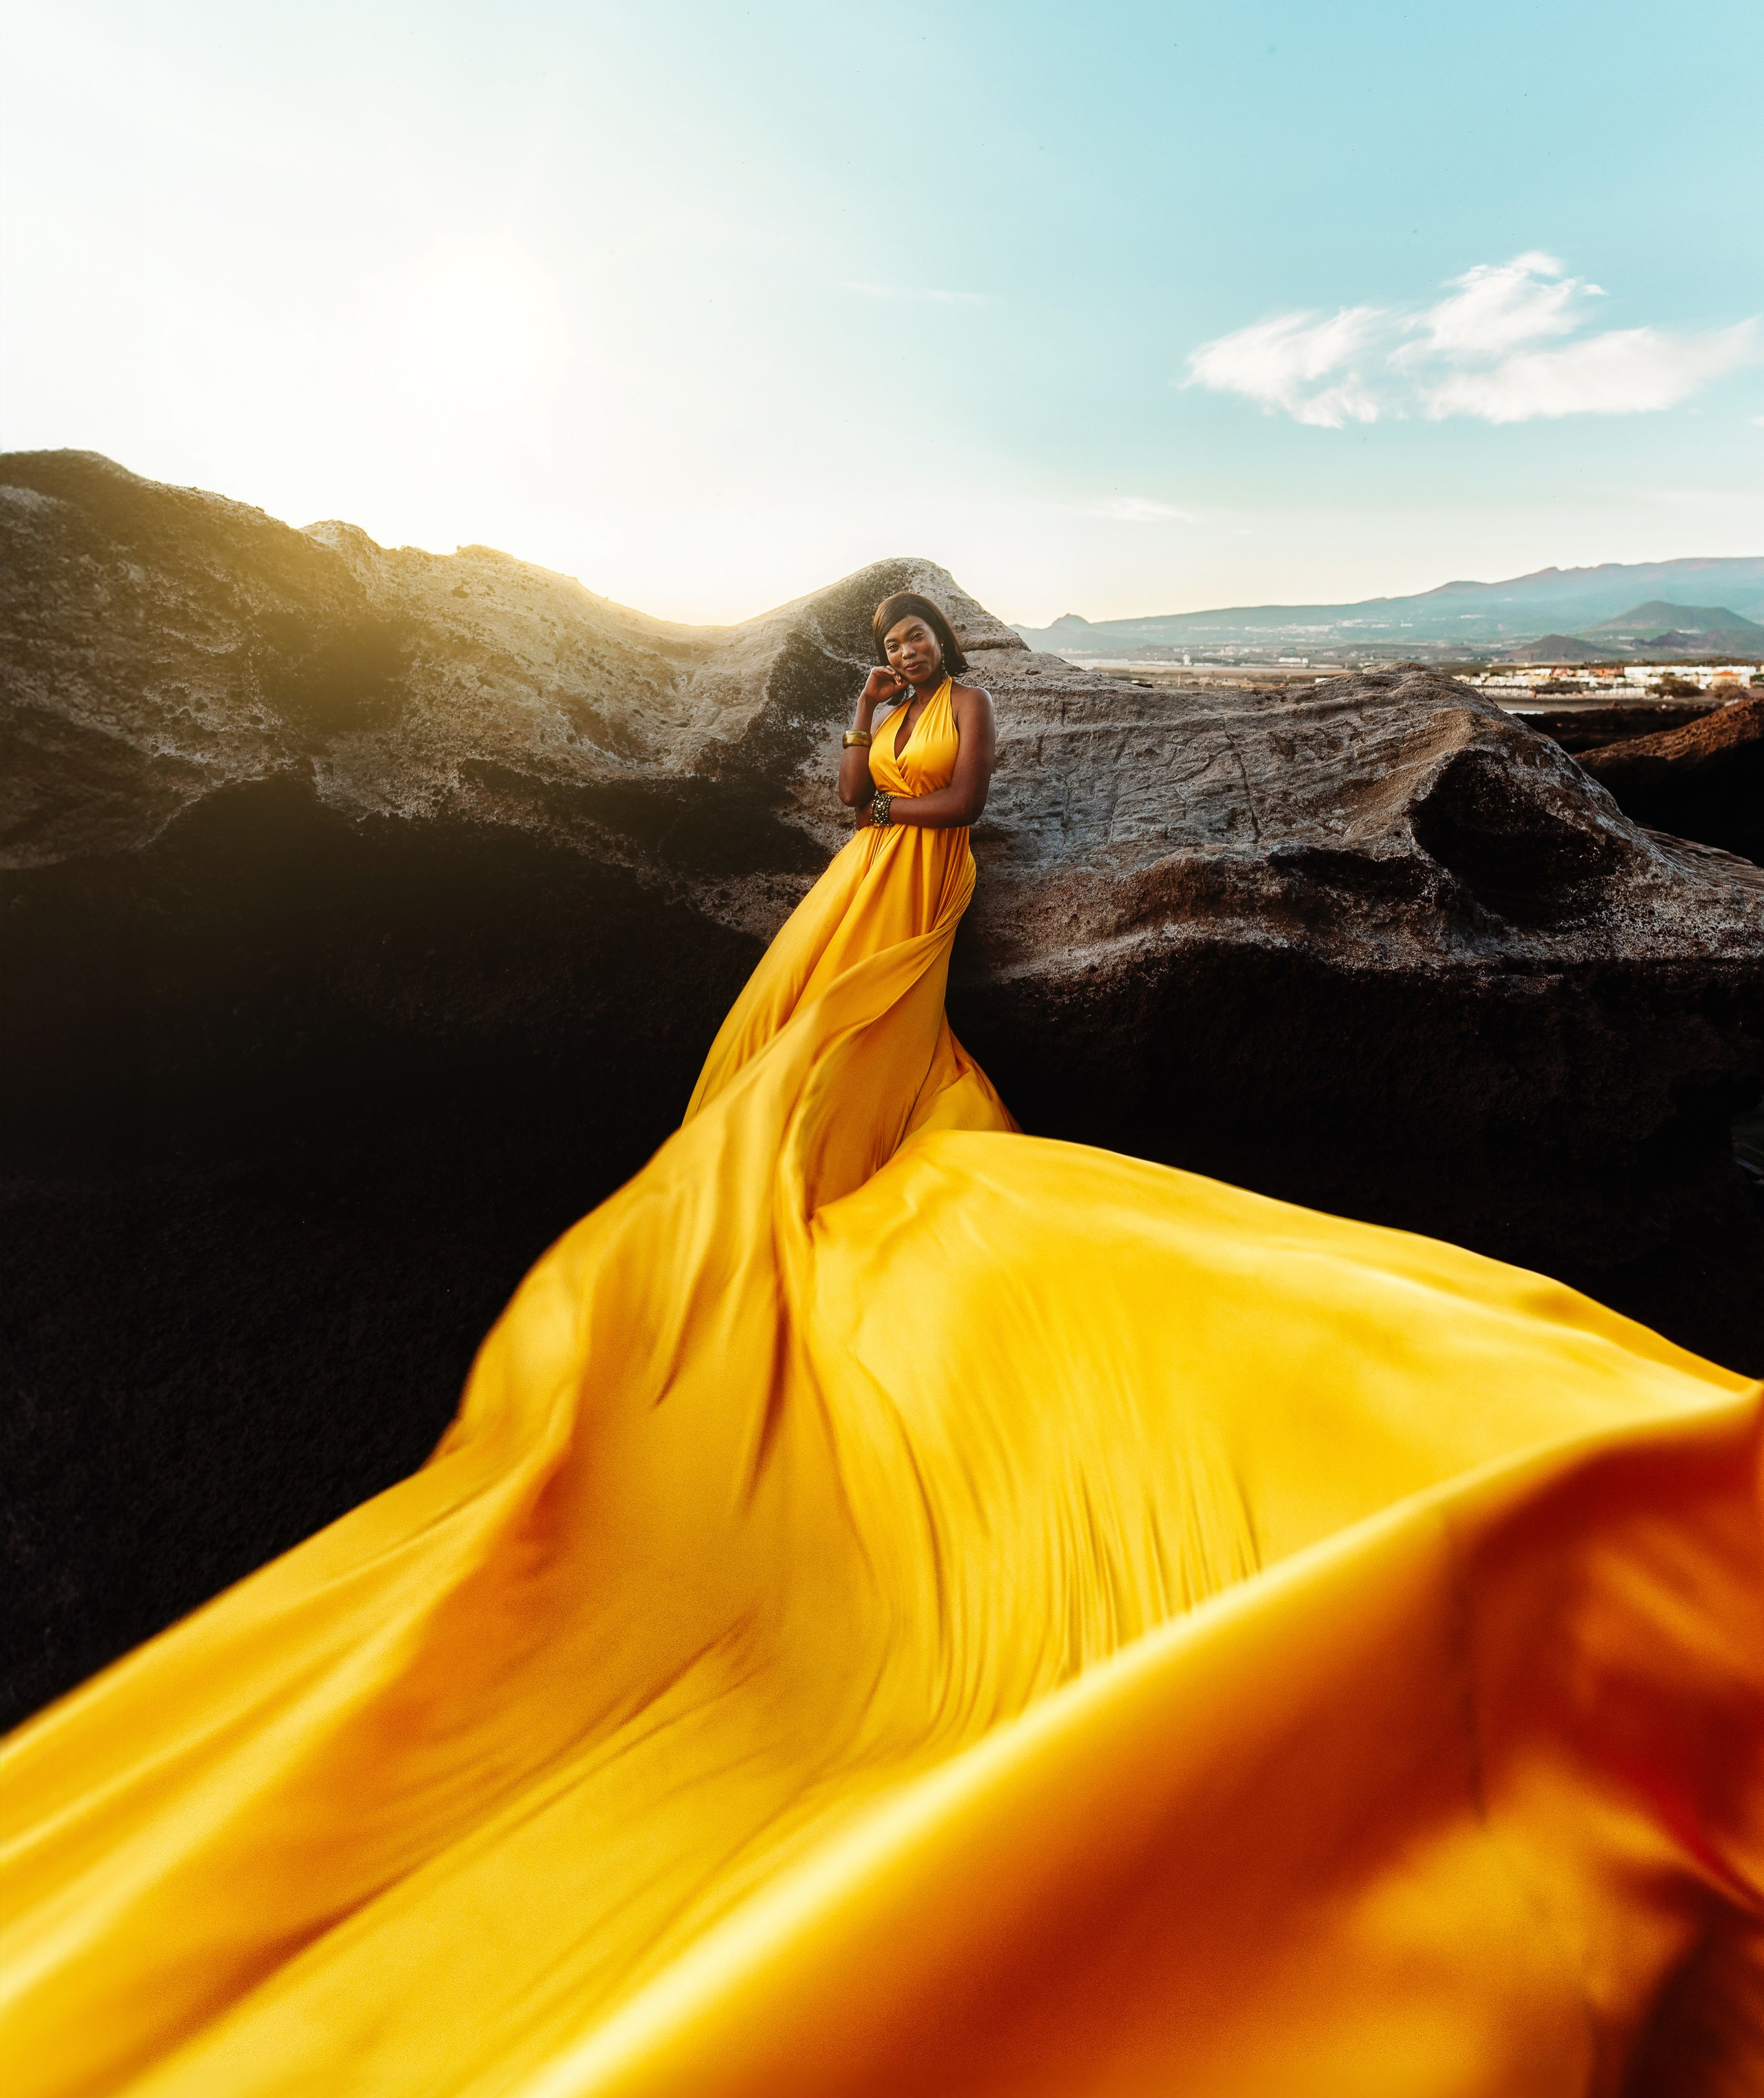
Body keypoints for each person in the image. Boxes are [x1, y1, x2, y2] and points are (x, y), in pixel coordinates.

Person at [2, 586, 1760, 2098]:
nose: (902, 655)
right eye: (888, 644)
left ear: (945, 644)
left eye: (912, 639)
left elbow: (949, 805)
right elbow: (851, 795)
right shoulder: (879, 707)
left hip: (917, 883)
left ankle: (864, 1138)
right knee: (773, 1056)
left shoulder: (966, 711)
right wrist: (859, 741)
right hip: (857, 870)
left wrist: (890, 798)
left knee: (864, 1051)